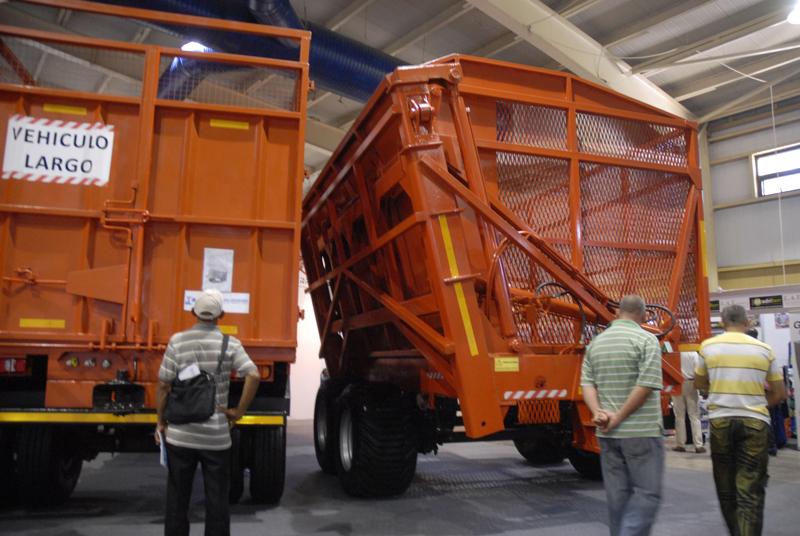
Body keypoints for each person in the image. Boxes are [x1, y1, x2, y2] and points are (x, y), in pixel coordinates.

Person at [155, 289, 261, 536]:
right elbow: (253, 374)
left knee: (178, 498)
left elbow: (163, 384)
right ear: (220, 315)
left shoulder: (177, 341)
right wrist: (238, 411)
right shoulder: (230, 344)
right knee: (217, 500)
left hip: (180, 435)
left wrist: (160, 421)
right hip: (216, 437)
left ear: (193, 313)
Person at [695, 305, 786, 536]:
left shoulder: (707, 347)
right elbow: (778, 393)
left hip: (720, 422)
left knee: (726, 489)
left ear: (722, 323)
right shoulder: (764, 349)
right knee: (751, 489)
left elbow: (700, 384)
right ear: (747, 323)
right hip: (755, 422)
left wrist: (719, 392)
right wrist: (756, 404)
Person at [581, 294, 664, 536]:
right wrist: (619, 416)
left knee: (617, 497)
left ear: (617, 314)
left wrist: (598, 412)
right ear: (644, 314)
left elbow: (587, 384)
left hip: (606, 433)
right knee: (648, 493)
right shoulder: (647, 340)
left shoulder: (596, 343)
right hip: (641, 431)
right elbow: (646, 385)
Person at [671, 351, 705, 453]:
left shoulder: (674, 352)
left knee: (679, 416)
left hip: (676, 383)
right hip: (691, 383)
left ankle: (680, 444)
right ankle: (698, 445)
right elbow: (698, 371)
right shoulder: (693, 353)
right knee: (694, 415)